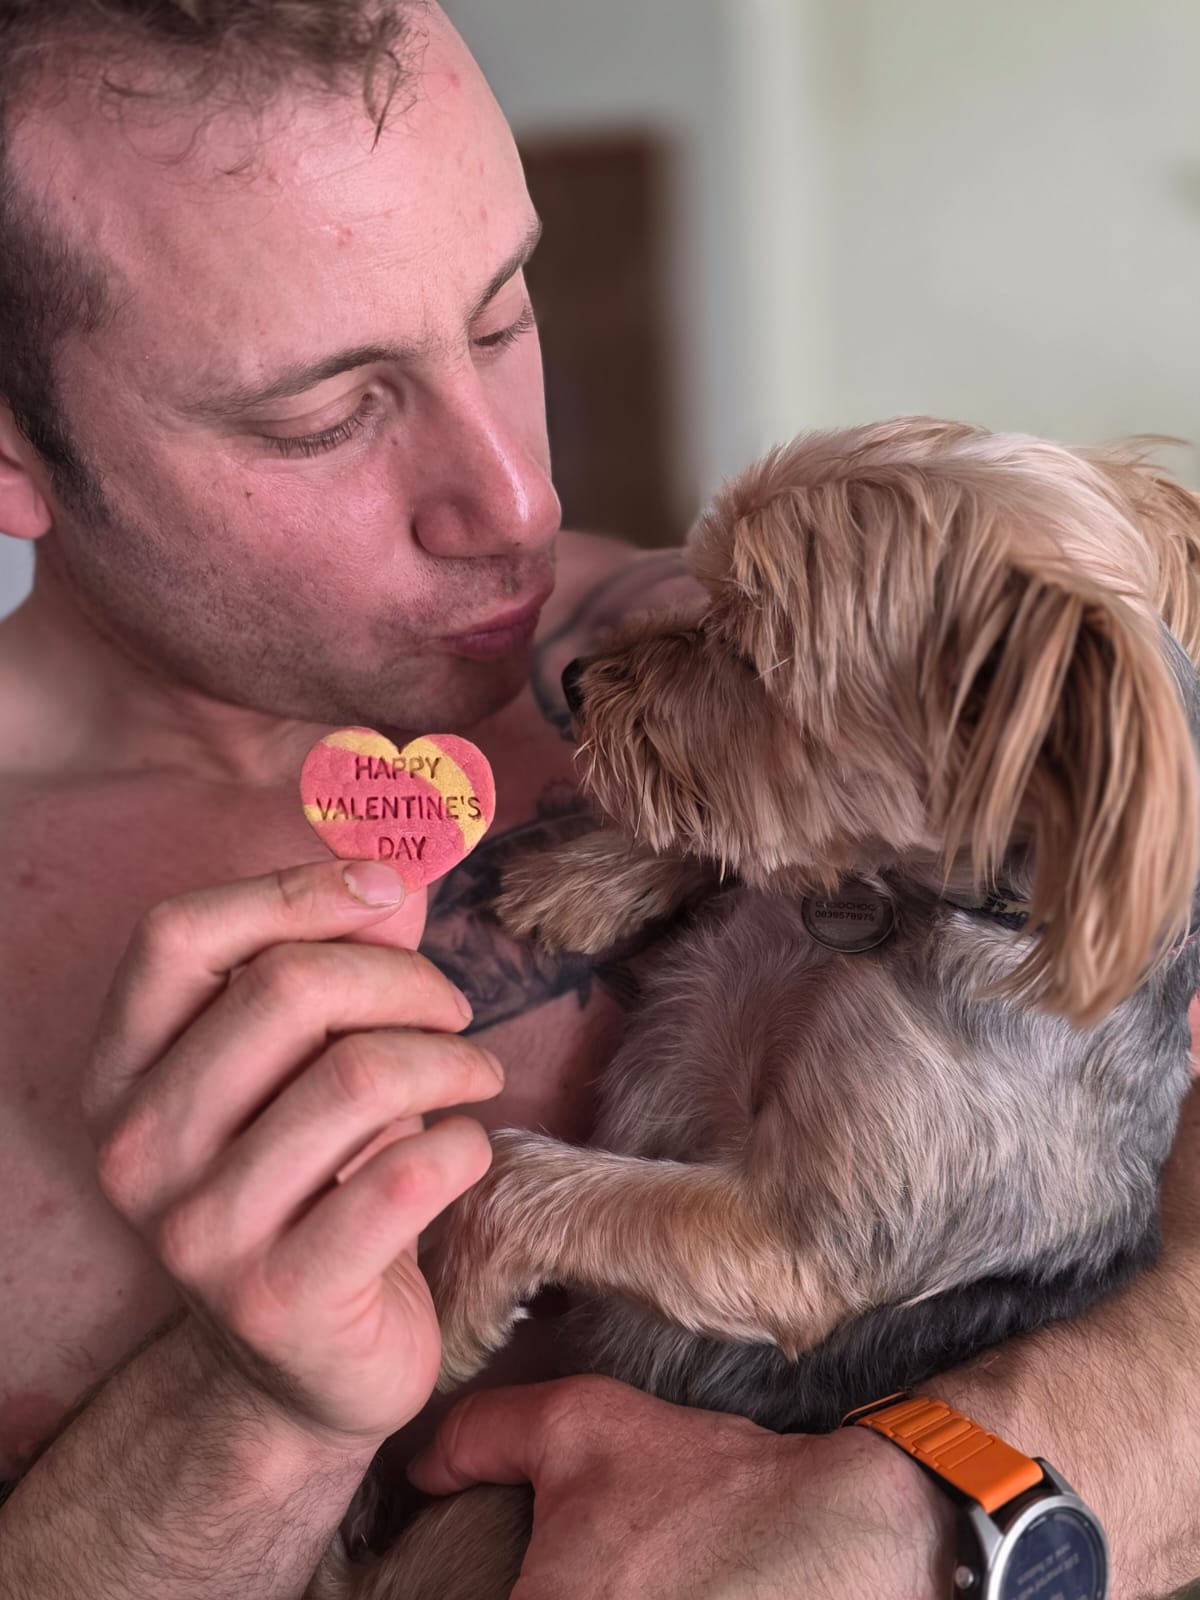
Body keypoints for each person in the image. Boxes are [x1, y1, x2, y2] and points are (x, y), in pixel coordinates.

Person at [0, 3, 1195, 1595]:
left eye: (503, 316)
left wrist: (936, 1510)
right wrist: (254, 1401)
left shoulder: (958, 716)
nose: (519, 497)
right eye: (324, 411)